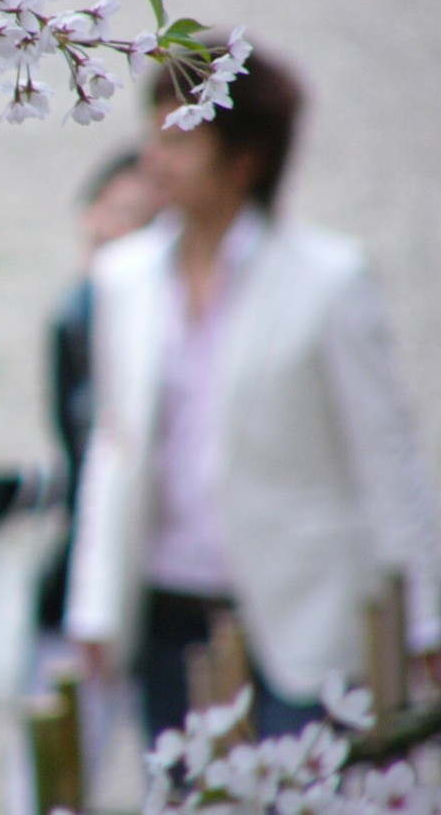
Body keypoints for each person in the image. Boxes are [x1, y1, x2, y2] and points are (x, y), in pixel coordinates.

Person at [64, 38, 441, 744]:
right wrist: (95, 606)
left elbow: (385, 458)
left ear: (245, 159)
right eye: (153, 136)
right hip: (168, 610)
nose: (155, 160)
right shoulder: (123, 278)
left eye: (179, 140)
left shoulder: (330, 280)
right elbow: (114, 448)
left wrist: (425, 617)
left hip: (302, 616)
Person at [0, 150, 163, 807]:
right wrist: (3, 491)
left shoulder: (162, 328)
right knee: (49, 783)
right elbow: (89, 471)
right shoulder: (72, 318)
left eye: (139, 219)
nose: (115, 230)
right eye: (109, 211)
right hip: (81, 586)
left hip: (165, 591)